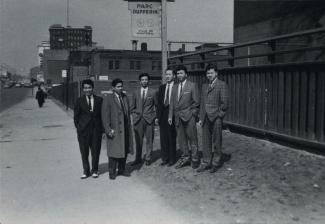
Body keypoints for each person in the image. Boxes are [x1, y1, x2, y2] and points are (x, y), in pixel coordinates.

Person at [197, 64, 230, 173]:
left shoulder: (222, 85)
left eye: (211, 73)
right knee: (205, 141)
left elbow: (224, 104)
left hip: (216, 118)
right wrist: (201, 117)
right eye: (207, 73)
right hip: (206, 117)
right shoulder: (204, 86)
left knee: (217, 140)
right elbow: (202, 103)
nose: (209, 75)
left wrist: (219, 116)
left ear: (216, 73)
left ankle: (216, 162)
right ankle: (206, 162)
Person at [168, 65, 200, 169]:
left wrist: (193, 115)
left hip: (189, 117)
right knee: (181, 140)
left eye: (181, 73)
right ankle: (185, 158)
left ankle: (195, 159)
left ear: (186, 74)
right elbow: (172, 103)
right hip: (178, 117)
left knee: (193, 139)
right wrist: (170, 116)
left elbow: (196, 103)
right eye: (177, 73)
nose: (179, 75)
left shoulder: (192, 85)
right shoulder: (175, 87)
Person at [101, 78, 133, 180]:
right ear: (113, 88)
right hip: (114, 129)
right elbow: (105, 116)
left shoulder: (125, 97)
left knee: (124, 150)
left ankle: (121, 170)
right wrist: (108, 129)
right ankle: (112, 172)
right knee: (113, 152)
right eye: (118, 87)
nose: (120, 88)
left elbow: (127, 113)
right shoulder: (108, 98)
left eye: (121, 86)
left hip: (124, 128)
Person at [73, 79, 103, 179]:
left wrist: (101, 130)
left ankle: (95, 170)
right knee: (84, 152)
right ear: (83, 89)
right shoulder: (79, 100)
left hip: (95, 130)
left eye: (89, 87)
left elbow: (101, 116)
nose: (88, 90)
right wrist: (79, 128)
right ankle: (86, 171)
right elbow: (76, 117)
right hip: (83, 131)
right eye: (85, 88)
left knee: (95, 151)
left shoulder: (99, 100)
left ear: (92, 88)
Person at [130, 73, 157, 166]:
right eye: (142, 79)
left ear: (149, 81)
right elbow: (132, 107)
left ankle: (148, 158)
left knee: (149, 140)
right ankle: (138, 158)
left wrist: (154, 116)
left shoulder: (153, 92)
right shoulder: (135, 92)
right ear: (140, 81)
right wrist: (134, 115)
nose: (144, 81)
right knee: (138, 140)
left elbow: (157, 106)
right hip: (138, 120)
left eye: (146, 79)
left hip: (149, 120)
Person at [156, 68, 177, 166]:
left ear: (174, 76)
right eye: (166, 74)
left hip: (172, 113)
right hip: (163, 114)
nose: (167, 76)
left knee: (171, 136)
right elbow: (159, 103)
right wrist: (157, 117)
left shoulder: (176, 87)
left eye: (169, 74)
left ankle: (172, 159)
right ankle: (165, 158)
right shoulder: (162, 87)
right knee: (163, 136)